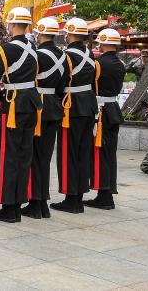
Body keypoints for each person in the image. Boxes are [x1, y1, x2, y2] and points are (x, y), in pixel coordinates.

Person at [0, 8, 41, 223]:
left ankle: (9, 207)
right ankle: (19, 202)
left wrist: (0, 97)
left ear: (11, 25)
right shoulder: (33, 47)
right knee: (24, 156)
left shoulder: (4, 49)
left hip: (13, 103)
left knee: (9, 156)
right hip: (32, 103)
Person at [21, 17, 68, 219]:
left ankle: (35, 202)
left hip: (38, 107)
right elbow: (63, 85)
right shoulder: (64, 56)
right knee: (45, 158)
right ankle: (42, 203)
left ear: (39, 33)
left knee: (33, 157)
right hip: (55, 106)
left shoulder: (37, 55)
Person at [52, 17, 98, 214]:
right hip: (88, 105)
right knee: (82, 153)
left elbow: (60, 83)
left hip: (72, 107)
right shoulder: (90, 54)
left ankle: (71, 198)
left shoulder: (67, 56)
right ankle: (79, 195)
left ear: (69, 34)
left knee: (68, 153)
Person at [85, 28, 126, 209]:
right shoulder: (120, 64)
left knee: (100, 154)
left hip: (101, 111)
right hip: (113, 108)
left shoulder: (98, 64)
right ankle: (107, 192)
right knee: (110, 154)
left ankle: (104, 195)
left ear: (102, 42)